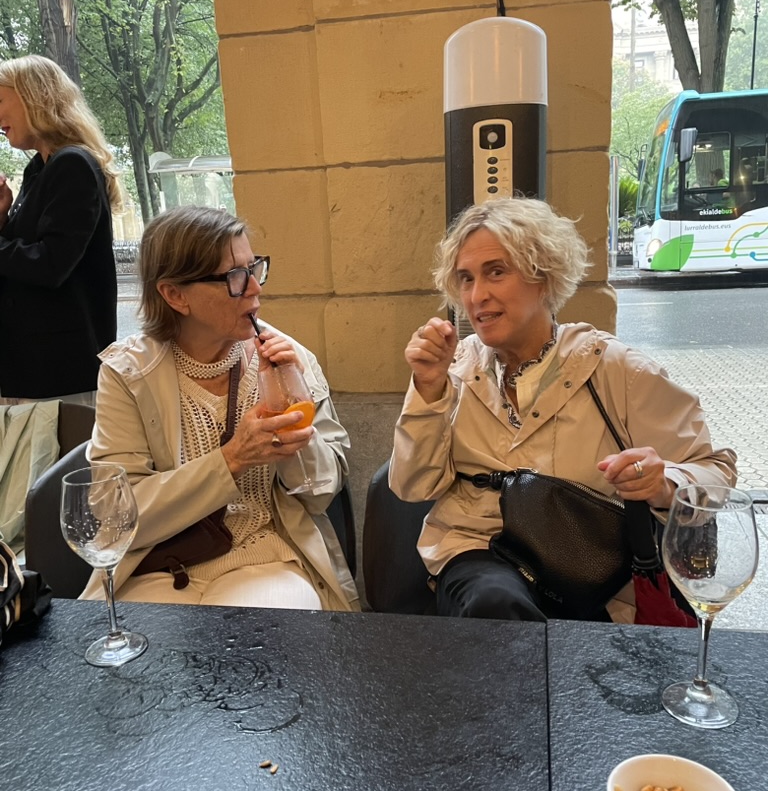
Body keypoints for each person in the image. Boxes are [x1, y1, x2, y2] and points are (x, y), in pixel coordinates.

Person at [389, 197, 736, 623]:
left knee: (583, 635)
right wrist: (427, 390)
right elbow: (413, 487)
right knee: (494, 603)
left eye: (496, 272)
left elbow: (714, 472)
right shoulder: (454, 369)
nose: (477, 296)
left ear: (544, 276)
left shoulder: (615, 369)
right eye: (466, 278)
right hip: (480, 551)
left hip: (597, 568)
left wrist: (664, 482)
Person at [81, 205, 359, 612]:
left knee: (257, 644)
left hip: (266, 555)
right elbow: (115, 516)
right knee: (145, 651)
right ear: (174, 295)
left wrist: (294, 422)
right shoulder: (128, 374)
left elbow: (320, 493)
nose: (255, 288)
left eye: (254, 268)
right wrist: (232, 459)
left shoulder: (288, 359)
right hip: (158, 564)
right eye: (234, 277)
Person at [0, 54, 120, 404]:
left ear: (33, 97)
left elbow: (50, 264)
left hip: (61, 374)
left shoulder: (72, 164)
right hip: (34, 371)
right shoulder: (39, 168)